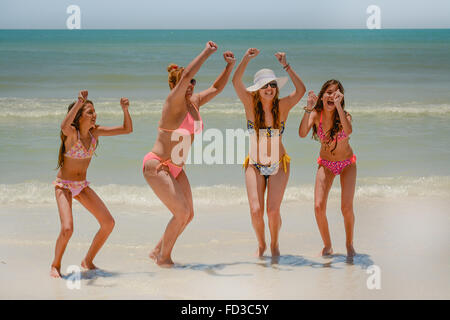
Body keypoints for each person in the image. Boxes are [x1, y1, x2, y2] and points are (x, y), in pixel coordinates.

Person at [143, 41, 236, 267]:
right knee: (181, 212)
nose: (192, 85)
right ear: (176, 86)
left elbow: (216, 88)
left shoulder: (193, 102)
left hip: (176, 168)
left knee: (188, 214)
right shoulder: (172, 103)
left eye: (194, 82)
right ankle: (164, 259)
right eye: (187, 81)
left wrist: (229, 66)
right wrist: (207, 52)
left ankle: (157, 250)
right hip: (157, 166)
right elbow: (186, 75)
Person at [51, 90, 133, 278]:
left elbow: (127, 129)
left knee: (108, 223)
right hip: (64, 185)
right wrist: (80, 102)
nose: (94, 115)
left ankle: (87, 260)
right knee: (67, 229)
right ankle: (55, 265)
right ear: (79, 117)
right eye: (90, 112)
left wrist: (125, 110)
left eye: (94, 111)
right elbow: (64, 125)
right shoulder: (73, 134)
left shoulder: (95, 133)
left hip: (81, 186)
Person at [232, 48, 306, 258]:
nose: (270, 88)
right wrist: (245, 59)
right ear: (257, 89)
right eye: (265, 86)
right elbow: (235, 82)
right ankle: (262, 244)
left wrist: (286, 65)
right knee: (256, 211)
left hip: (279, 165)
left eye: (273, 85)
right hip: (254, 165)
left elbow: (301, 90)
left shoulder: (282, 106)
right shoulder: (249, 104)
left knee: (272, 211)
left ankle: (274, 244)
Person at [298, 80, 356, 257]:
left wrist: (338, 107)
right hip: (326, 164)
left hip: (347, 163)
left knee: (346, 208)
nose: (332, 96)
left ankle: (349, 244)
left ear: (341, 97)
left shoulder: (345, 115)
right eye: (329, 92)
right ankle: (328, 245)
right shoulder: (316, 114)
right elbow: (302, 133)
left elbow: (348, 131)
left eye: (336, 93)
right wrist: (308, 108)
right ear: (322, 96)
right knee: (318, 206)